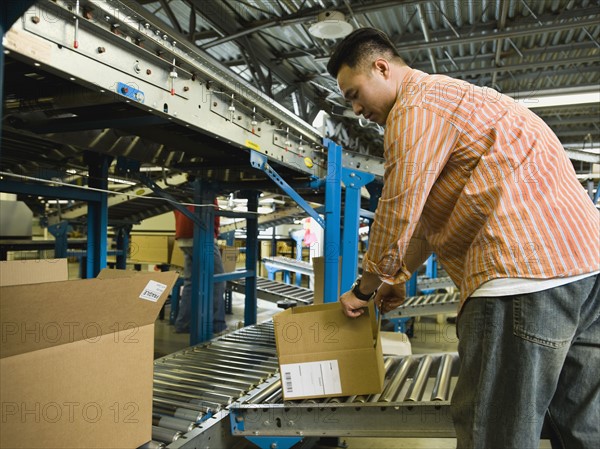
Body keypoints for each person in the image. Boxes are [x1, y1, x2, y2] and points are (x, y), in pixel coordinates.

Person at [327, 27, 599, 448]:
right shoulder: (461, 99)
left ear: (381, 67)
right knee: (580, 424)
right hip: (584, 269)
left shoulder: (414, 107)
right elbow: (424, 224)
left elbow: (398, 207)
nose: (357, 108)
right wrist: (393, 277)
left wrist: (363, 291)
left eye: (354, 94)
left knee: (494, 431)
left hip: (520, 274)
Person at [174, 202, 227, 335]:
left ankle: (183, 324)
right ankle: (217, 324)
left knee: (190, 282)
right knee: (218, 281)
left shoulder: (181, 188)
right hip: (202, 235)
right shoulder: (206, 186)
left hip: (184, 236)